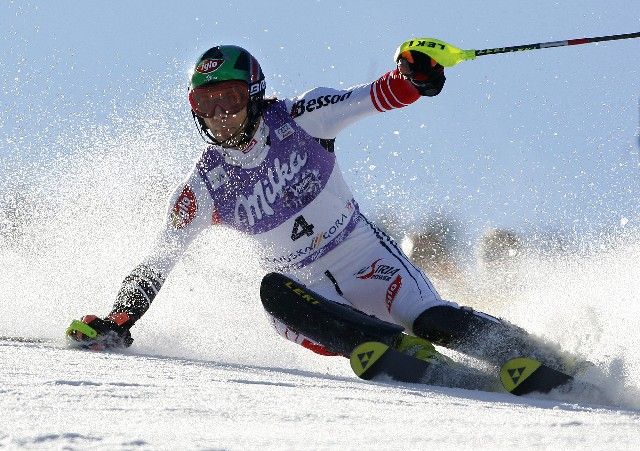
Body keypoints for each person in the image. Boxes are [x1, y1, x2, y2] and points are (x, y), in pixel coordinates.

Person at [68, 42, 579, 374]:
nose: (222, 115)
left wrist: (415, 75)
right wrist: (118, 320)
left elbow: (379, 95)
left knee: (429, 317)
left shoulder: (303, 117)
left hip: (363, 257)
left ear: (255, 94)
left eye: (230, 98)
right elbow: (159, 261)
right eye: (207, 105)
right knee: (271, 289)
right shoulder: (204, 186)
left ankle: (540, 357)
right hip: (304, 294)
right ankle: (387, 347)